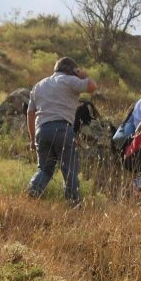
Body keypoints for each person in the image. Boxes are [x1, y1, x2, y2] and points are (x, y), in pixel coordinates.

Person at [26, 57, 97, 207]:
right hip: (63, 130)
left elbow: (30, 113)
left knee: (44, 169)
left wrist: (32, 139)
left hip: (42, 131)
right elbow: (92, 86)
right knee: (70, 170)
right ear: (72, 71)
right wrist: (82, 75)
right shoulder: (69, 80)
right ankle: (74, 204)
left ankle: (32, 192)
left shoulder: (39, 85)